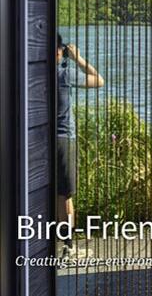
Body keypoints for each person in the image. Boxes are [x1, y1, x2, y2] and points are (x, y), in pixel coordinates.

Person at [57, 34, 104, 258]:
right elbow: (99, 80)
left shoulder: (32, 75)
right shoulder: (65, 74)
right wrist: (78, 58)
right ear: (59, 52)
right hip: (64, 139)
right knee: (66, 196)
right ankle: (69, 246)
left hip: (40, 140)